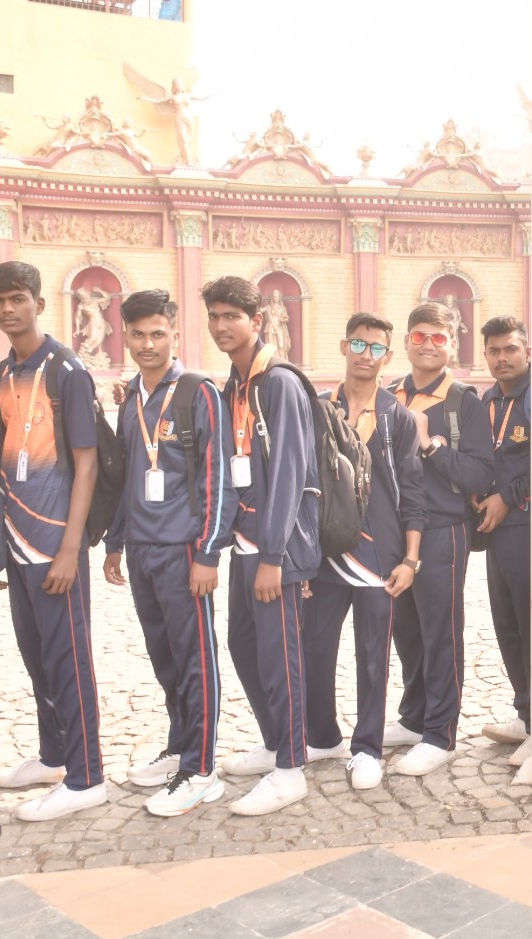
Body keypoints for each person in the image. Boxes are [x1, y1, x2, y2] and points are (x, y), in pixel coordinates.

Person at [102, 290, 236, 815]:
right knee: (166, 659)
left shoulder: (198, 393)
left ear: (174, 335)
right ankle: (180, 745)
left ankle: (201, 770)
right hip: (142, 549)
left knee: (195, 659)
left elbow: (217, 477)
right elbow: (126, 476)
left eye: (158, 334)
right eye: (138, 334)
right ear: (125, 336)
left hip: (183, 550)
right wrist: (115, 541)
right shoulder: (132, 398)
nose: (148, 344)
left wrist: (208, 553)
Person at [0, 261, 106, 822]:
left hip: (56, 543)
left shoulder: (67, 372)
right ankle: (54, 756)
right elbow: (5, 459)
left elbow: (87, 464)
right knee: (37, 656)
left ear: (38, 302)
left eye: (18, 299)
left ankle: (86, 776)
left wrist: (70, 549)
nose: (9, 309)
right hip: (17, 537)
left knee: (68, 658)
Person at [208, 276, 320, 813]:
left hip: (277, 549)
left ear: (257, 321)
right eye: (214, 316)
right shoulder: (234, 385)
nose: (221, 326)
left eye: (232, 316)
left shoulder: (279, 383)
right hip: (244, 544)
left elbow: (291, 474)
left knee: (280, 657)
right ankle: (276, 740)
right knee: (244, 645)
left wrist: (274, 556)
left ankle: (291, 768)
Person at [302, 312, 425, 790]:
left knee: (373, 656)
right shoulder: (317, 410)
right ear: (344, 346)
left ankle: (367, 748)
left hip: (380, 557)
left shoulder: (398, 418)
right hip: (325, 553)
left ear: (387, 357)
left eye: (375, 348)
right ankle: (322, 735)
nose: (365, 355)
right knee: (316, 648)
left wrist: (410, 560)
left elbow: (413, 494)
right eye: (358, 344)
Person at [381, 303, 494, 775]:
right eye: (420, 336)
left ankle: (440, 734)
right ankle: (414, 717)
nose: (428, 345)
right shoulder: (389, 395)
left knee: (440, 631)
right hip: (394, 529)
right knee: (405, 630)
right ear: (406, 342)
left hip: (443, 529)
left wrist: (430, 446)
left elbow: (481, 475)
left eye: (439, 338)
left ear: (453, 345)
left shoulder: (464, 401)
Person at [476, 317, 532, 746]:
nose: (502, 358)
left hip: (530, 526)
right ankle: (525, 711)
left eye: (510, 349)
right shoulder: (488, 400)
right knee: (507, 623)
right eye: (494, 351)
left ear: (527, 352)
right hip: (497, 529)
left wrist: (507, 498)